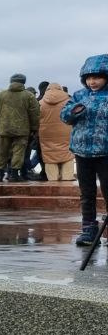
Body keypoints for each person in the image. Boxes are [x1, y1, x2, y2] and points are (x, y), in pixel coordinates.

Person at [63, 55, 108, 246]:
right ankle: (89, 229)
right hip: (82, 152)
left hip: (105, 152)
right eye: (89, 78)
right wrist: (72, 112)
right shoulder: (79, 95)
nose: (93, 82)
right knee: (86, 193)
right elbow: (64, 116)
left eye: (97, 77)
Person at [0, 73, 40, 183]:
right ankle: (14, 175)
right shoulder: (29, 96)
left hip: (4, 129)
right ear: (24, 82)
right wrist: (34, 129)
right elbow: (35, 114)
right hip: (22, 130)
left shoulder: (2, 95)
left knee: (2, 152)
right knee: (18, 152)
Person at [39, 83, 75, 182]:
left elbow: (36, 117)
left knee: (49, 155)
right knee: (67, 154)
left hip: (46, 133)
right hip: (66, 131)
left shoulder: (41, 102)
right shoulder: (69, 101)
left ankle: (52, 179)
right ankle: (67, 178)